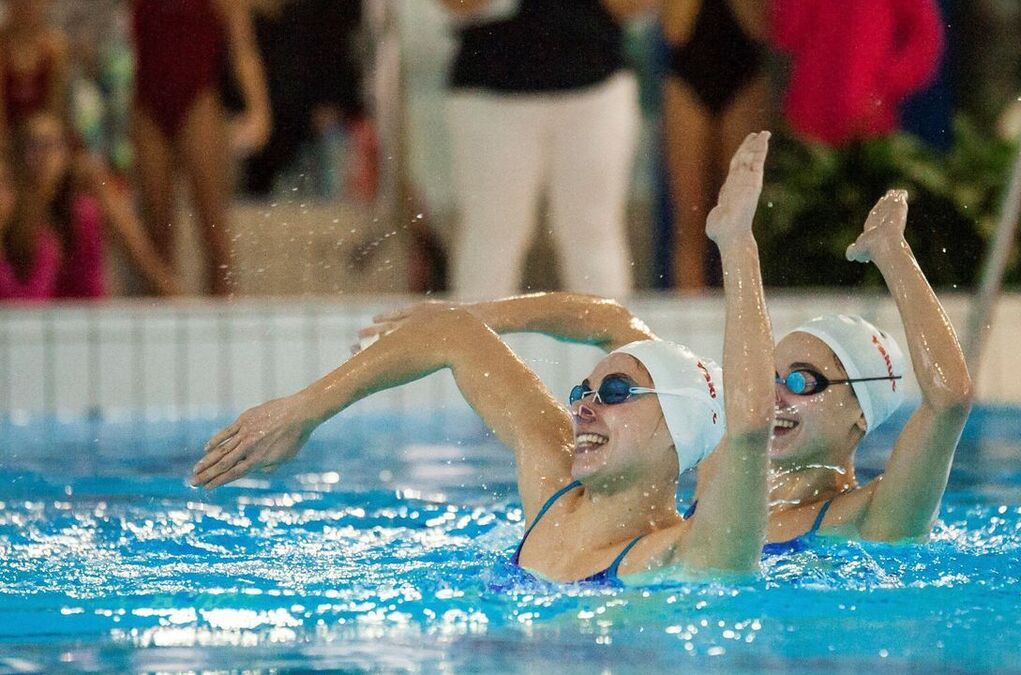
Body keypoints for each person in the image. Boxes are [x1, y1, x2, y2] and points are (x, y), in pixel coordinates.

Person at [191, 132, 776, 585]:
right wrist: (304, 411)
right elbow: (452, 332)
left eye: (617, 394)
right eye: (585, 392)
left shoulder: (692, 554)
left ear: (680, 434)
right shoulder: (553, 485)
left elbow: (749, 426)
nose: (587, 408)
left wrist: (735, 244)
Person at [362, 190, 972, 548]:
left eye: (801, 382)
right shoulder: (710, 457)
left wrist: (893, 252)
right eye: (765, 374)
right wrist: (473, 317)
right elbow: (610, 323)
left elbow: (948, 401)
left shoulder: (874, 517)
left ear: (859, 417)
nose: (771, 395)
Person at [439, 0, 649, 299]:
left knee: (593, 233)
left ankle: (612, 343)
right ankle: (474, 344)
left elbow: (634, 7)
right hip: (491, 93)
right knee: (492, 235)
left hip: (595, 86)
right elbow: (456, 5)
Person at [129, 0, 271, 295]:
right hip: (147, 106)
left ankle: (223, 328)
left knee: (214, 231)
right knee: (157, 236)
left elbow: (243, 51)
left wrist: (259, 111)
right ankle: (158, 329)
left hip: (197, 102)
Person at [0, 111, 178, 300]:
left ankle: (166, 285)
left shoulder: (82, 214)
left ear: (67, 154)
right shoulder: (10, 210)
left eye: (53, 145)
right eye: (34, 145)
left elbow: (91, 291)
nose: (44, 155)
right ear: (17, 154)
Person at [662, 0, 769, 289]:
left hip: (743, 81)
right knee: (690, 220)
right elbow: (675, 30)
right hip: (688, 81)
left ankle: (744, 315)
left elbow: (759, 28)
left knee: (744, 220)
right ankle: (688, 319)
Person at [769, 0, 942, 146]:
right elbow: (787, 33)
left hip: (865, 119)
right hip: (809, 117)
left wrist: (887, 85)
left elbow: (925, 37)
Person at [0, 0, 69, 153]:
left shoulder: (54, 48)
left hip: (39, 139)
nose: (28, 5)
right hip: (7, 139)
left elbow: (54, 112)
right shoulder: (3, 47)